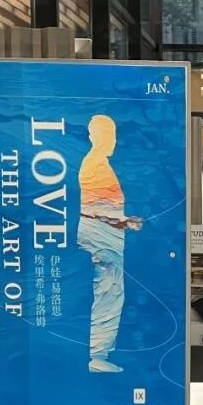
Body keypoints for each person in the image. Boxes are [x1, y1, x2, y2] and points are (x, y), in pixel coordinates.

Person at [78, 115, 142, 373]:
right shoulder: (95, 166)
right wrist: (125, 221)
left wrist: (123, 221)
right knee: (107, 293)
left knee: (110, 292)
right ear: (96, 137)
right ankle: (97, 354)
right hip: (101, 240)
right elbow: (97, 211)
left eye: (113, 135)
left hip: (105, 239)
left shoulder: (99, 164)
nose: (113, 141)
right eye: (108, 135)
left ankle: (100, 352)